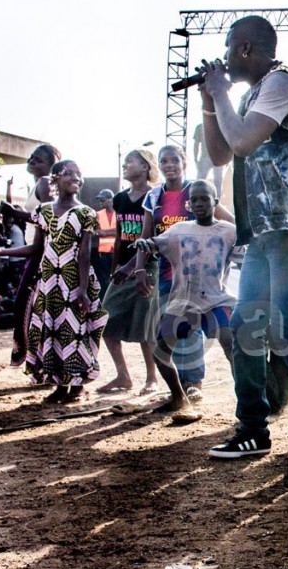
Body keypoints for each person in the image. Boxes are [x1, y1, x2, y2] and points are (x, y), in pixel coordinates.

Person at [199, 14, 288, 468]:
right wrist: (210, 101)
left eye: (227, 49)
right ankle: (253, 431)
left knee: (285, 329)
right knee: (246, 327)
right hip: (266, 233)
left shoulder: (282, 83)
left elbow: (241, 143)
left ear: (244, 49)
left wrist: (221, 92)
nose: (223, 59)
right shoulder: (249, 98)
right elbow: (221, 152)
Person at [0, 161, 108, 403]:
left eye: (79, 174)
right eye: (68, 173)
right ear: (55, 180)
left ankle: (77, 384)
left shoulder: (86, 213)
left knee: (75, 329)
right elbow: (36, 248)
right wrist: (1, 251)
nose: (75, 177)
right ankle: (59, 384)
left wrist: (82, 287)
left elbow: (84, 254)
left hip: (74, 279)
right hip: (48, 281)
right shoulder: (44, 211)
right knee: (52, 329)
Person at [131, 180, 236, 424]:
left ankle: (246, 399)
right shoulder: (179, 231)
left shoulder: (229, 231)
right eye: (195, 200)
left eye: (205, 199)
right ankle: (178, 396)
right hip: (184, 302)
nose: (199, 204)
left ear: (215, 203)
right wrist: (144, 245)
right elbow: (154, 243)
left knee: (233, 347)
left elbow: (248, 254)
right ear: (188, 205)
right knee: (161, 351)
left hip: (216, 299)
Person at [97, 149, 162, 395]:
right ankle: (123, 376)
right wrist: (116, 266)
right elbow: (118, 236)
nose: (125, 165)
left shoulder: (156, 196)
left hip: (148, 267)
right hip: (123, 268)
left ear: (145, 166)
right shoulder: (120, 199)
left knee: (146, 326)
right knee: (105, 321)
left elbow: (154, 237)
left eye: (130, 161)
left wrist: (134, 265)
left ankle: (151, 378)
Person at [0, 144, 60, 367]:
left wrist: (14, 212)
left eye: (39, 159)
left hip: (42, 251)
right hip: (35, 248)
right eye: (32, 157)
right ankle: (38, 360)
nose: (32, 161)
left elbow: (48, 217)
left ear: (51, 166)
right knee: (32, 308)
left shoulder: (45, 183)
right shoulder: (38, 184)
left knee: (26, 305)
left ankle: (38, 360)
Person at [192, 123, 225, 198]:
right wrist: (195, 158)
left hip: (218, 158)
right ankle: (197, 198)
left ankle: (217, 202)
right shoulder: (200, 127)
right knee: (200, 180)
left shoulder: (221, 125)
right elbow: (196, 144)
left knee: (218, 181)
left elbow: (227, 141)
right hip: (206, 158)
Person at [92, 189, 116, 290]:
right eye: (100, 200)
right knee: (105, 280)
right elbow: (95, 230)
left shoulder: (119, 212)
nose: (101, 202)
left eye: (103, 200)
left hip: (117, 252)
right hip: (103, 253)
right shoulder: (98, 214)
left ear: (110, 200)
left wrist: (105, 232)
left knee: (117, 278)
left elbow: (122, 230)